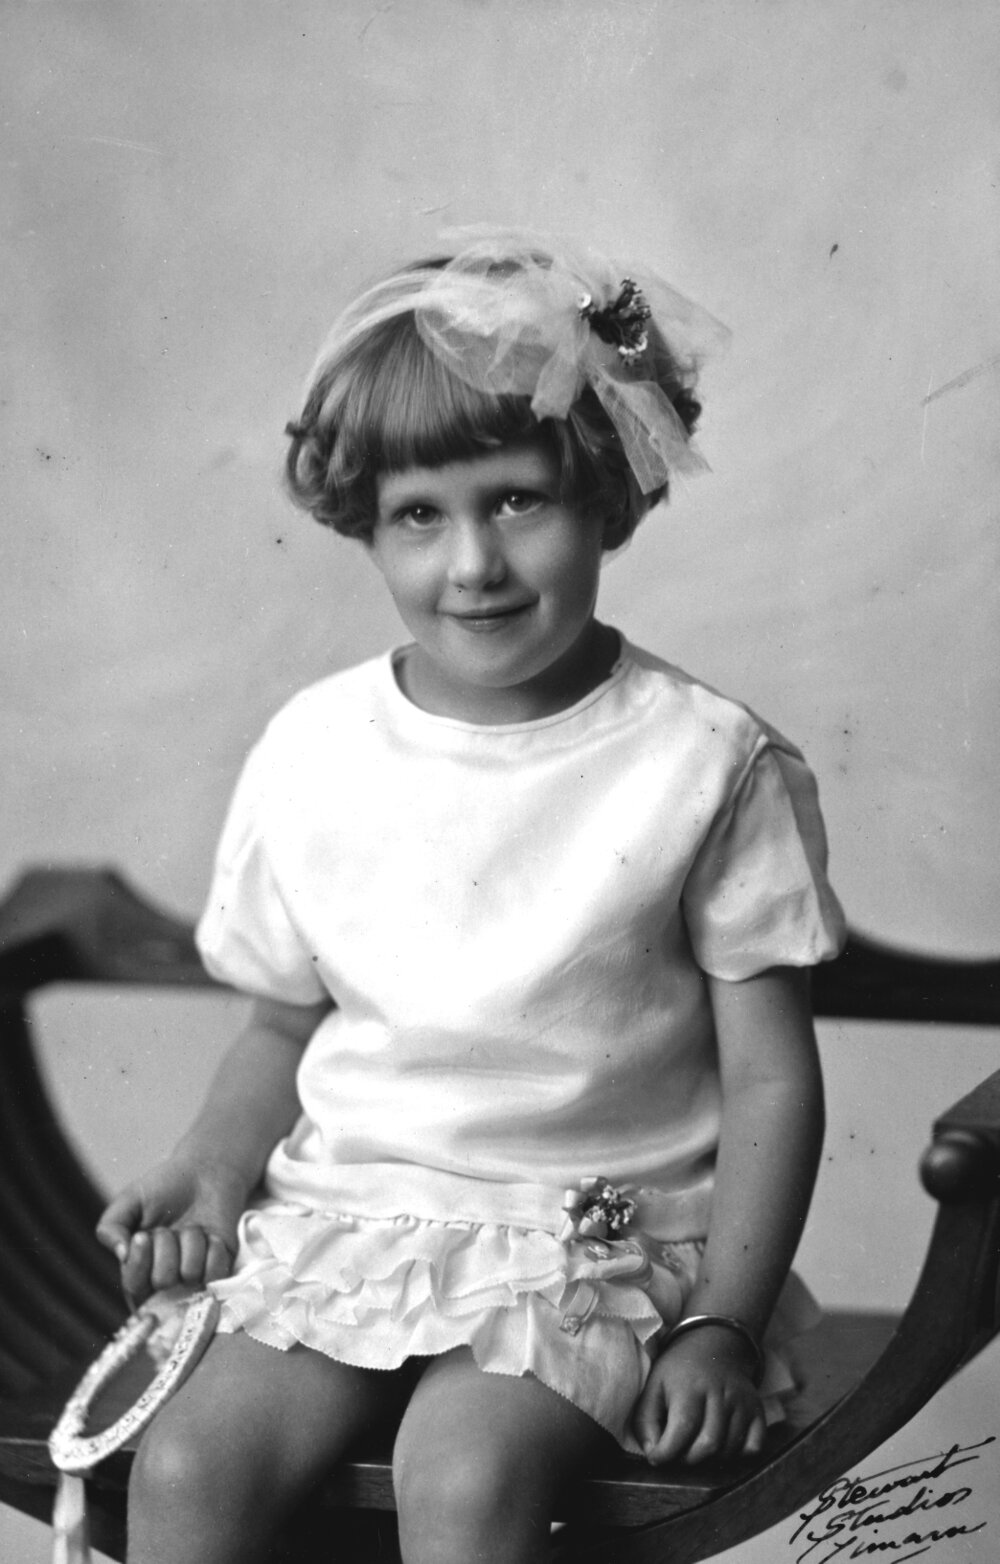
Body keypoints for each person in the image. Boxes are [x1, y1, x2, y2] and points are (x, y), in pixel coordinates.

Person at [97, 229, 846, 1564]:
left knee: (466, 1474)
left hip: (595, 1231)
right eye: (419, 516)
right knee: (190, 1468)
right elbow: (281, 1025)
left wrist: (721, 1322)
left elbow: (773, 1079)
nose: (473, 566)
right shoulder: (314, 749)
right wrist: (213, 1172)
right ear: (365, 525)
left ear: (608, 494)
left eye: (516, 500)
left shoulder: (702, 760)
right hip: (350, 1222)